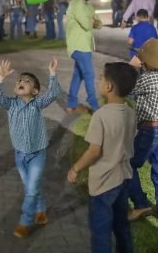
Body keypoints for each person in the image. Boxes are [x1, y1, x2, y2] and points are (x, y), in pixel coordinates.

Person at [67, 62, 139, 253]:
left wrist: (75, 168)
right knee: (121, 225)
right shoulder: (131, 113)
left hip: (103, 184)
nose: (98, 80)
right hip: (123, 178)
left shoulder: (101, 116)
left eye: (100, 78)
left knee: (101, 231)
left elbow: (94, 152)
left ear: (108, 87)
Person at [0, 58, 60, 238]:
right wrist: (1, 78)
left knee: (30, 190)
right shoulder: (11, 104)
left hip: (37, 154)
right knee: (31, 186)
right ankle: (41, 209)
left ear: (35, 91)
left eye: (27, 81)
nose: (21, 82)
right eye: (19, 81)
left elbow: (53, 93)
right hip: (20, 155)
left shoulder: (37, 104)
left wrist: (52, 74)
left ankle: (25, 222)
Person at [126, 39, 158, 224]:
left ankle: (141, 204)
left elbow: (128, 89)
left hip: (149, 130)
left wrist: (132, 68)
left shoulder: (148, 79)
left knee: (127, 164)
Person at [66, 0, 102, 113]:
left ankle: (71, 105)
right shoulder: (77, 4)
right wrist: (92, 20)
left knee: (78, 75)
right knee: (89, 75)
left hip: (85, 45)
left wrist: (93, 21)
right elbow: (87, 25)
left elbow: (99, 24)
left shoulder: (88, 5)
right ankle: (94, 105)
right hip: (78, 46)